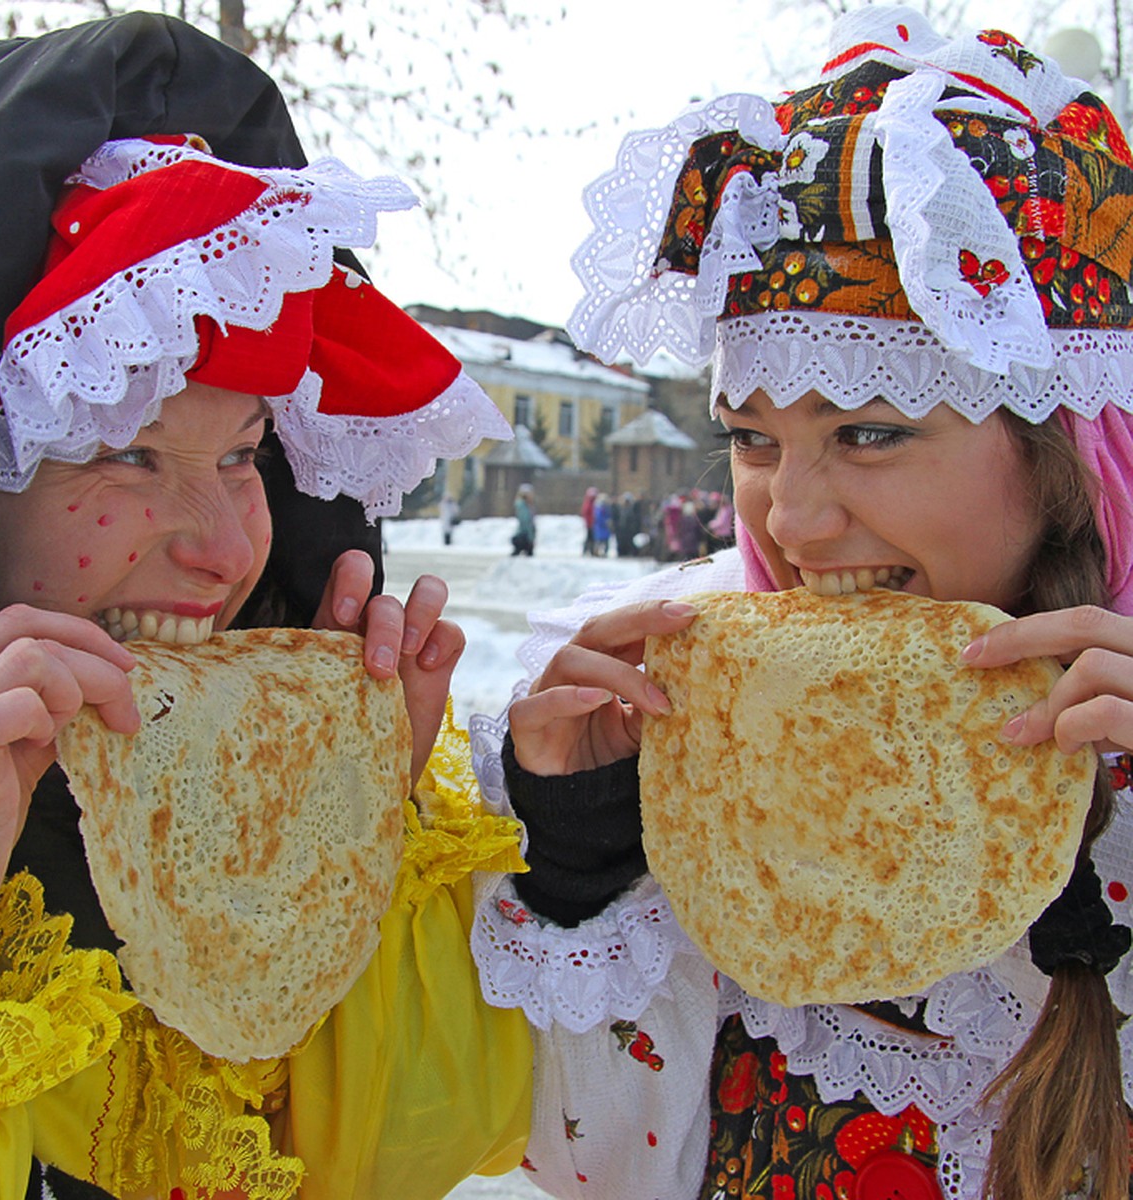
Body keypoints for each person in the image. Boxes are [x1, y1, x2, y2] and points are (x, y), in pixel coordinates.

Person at [467, 9, 1133, 1199]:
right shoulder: (697, 728)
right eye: (752, 439)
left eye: (870, 431)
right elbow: (593, 1165)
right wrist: (583, 855)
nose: (791, 518)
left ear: (1065, 451)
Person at [0, 16, 531, 1200]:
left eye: (248, 456)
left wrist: (345, 851)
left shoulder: (237, 793)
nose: (223, 553)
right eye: (127, 456)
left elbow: (417, 1152)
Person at [512, 481, 537, 556]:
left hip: (525, 536)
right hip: (524, 537)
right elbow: (526, 523)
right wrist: (530, 539)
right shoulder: (523, 507)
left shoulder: (527, 506)